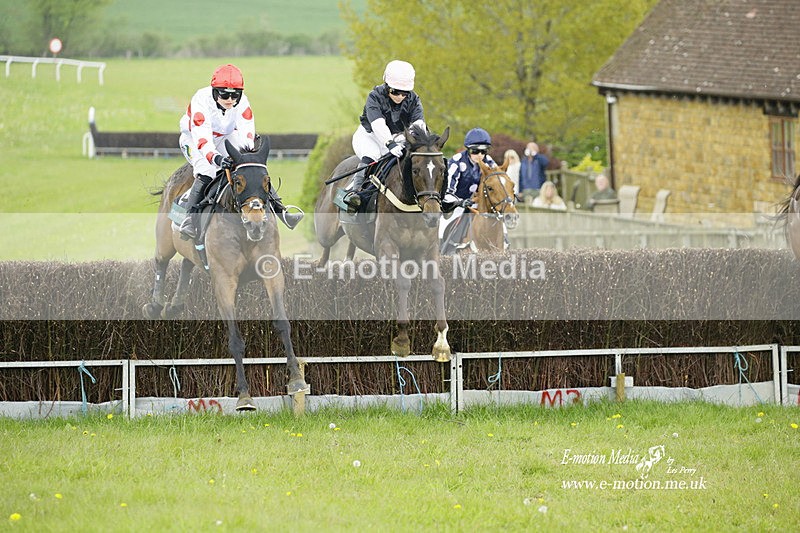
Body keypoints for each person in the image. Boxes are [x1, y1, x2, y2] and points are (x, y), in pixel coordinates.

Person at [178, 64, 302, 240]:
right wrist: (219, 159)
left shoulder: (242, 102)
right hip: (195, 139)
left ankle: (281, 211)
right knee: (208, 171)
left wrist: (245, 159)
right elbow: (203, 139)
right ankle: (190, 219)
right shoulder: (200, 99)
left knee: (251, 167)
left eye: (235, 95)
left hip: (226, 136)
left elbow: (246, 134)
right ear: (214, 91)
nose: (230, 99)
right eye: (225, 94)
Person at [343, 60, 427, 213]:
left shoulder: (414, 99)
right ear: (387, 86)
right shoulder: (375, 96)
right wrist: (390, 144)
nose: (400, 96)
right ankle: (355, 193)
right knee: (373, 154)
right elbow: (378, 124)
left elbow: (419, 125)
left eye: (404, 93)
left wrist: (418, 143)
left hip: (398, 138)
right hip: (370, 136)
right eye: (396, 92)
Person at [439, 128, 497, 254]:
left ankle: (505, 246)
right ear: (468, 149)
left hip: (479, 206)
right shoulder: (456, 162)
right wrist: (460, 202)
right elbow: (447, 192)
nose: (480, 155)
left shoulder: (490, 163)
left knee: (499, 222)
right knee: (442, 227)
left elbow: (498, 185)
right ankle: (441, 254)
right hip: (457, 206)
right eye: (475, 151)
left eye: (483, 151)